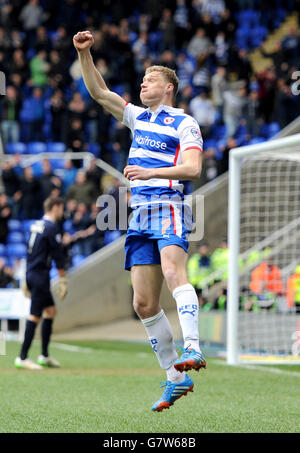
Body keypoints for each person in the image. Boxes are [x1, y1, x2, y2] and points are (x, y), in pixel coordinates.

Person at [74, 30, 206, 413]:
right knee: (144, 303)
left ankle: (193, 345)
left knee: (172, 272)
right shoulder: (137, 117)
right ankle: (176, 378)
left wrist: (150, 174)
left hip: (168, 205)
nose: (143, 83)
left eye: (150, 80)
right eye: (142, 79)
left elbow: (194, 168)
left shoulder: (185, 123)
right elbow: (99, 93)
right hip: (139, 216)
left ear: (168, 88)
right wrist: (85, 54)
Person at [15, 197, 68, 370]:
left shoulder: (35, 225)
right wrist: (62, 279)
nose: (62, 212)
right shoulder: (52, 227)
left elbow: (30, 251)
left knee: (50, 311)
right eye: (61, 208)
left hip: (32, 272)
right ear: (55, 207)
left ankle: (44, 355)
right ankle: (22, 357)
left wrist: (25, 276)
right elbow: (58, 255)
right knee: (35, 315)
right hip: (40, 276)